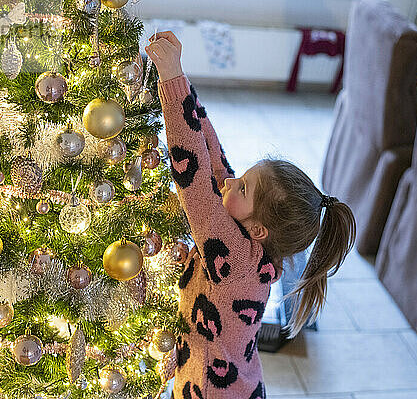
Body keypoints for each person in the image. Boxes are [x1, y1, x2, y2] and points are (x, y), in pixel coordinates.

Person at [145, 31, 356, 399]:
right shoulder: (250, 243)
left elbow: (194, 178)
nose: (230, 184)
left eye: (242, 188)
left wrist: (172, 80)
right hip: (241, 384)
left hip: (210, 391)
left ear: (258, 229)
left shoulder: (236, 258)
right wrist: (181, 83)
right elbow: (214, 161)